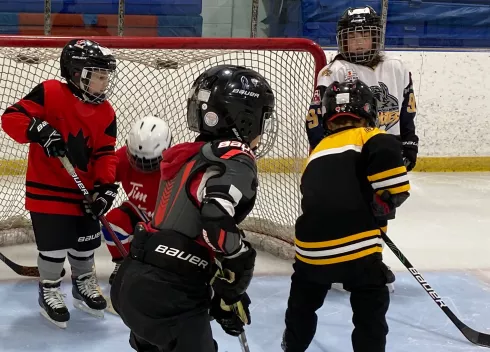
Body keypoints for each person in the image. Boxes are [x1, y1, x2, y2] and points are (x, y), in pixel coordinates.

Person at [110, 64, 276, 352]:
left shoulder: (189, 156)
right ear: (245, 117)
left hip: (134, 283)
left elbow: (184, 236)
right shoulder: (235, 156)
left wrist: (222, 296)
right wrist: (239, 258)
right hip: (169, 294)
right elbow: (215, 220)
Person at [282, 80, 411, 352]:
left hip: (309, 250)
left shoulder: (316, 152)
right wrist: (382, 208)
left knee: (303, 303)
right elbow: (394, 190)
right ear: (368, 111)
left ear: (329, 116)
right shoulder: (373, 135)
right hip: (358, 250)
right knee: (371, 303)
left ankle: (292, 345)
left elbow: (318, 198)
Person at [1, 38, 118, 328]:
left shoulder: (107, 112)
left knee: (85, 245)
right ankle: (50, 289)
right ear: (77, 74)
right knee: (53, 248)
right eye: (98, 76)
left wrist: (104, 188)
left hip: (84, 193)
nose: (103, 83)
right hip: (47, 191)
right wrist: (36, 128)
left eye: (106, 77)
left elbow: (105, 154)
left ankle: (83, 284)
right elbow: (11, 117)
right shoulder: (50, 92)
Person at [306, 5, 418, 291]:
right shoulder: (335, 71)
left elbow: (407, 111)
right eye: (351, 37)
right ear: (342, 39)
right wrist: (323, 155)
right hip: (348, 153)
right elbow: (316, 118)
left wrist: (408, 143)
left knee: (382, 209)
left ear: (376, 38)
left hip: (383, 151)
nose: (357, 42)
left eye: (364, 36)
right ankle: (343, 262)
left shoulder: (396, 67)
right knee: (347, 211)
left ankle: (370, 261)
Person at [102, 115, 173, 284]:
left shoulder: (177, 166)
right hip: (141, 215)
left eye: (149, 162)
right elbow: (103, 176)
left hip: (169, 222)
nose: (142, 167)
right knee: (113, 221)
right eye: (136, 160)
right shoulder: (123, 158)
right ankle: (124, 263)